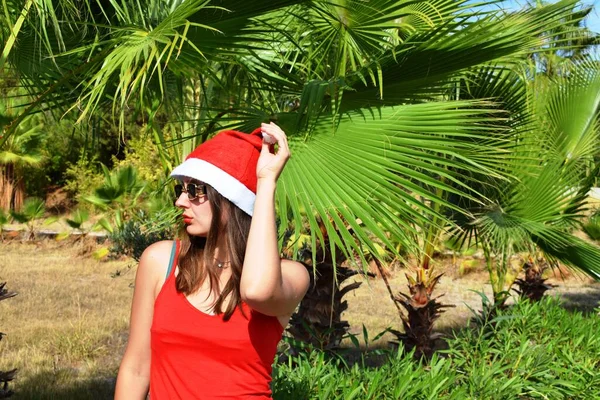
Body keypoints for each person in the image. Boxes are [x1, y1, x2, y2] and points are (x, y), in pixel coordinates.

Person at [114, 122, 310, 399]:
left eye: (195, 190)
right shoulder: (161, 261)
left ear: (232, 200)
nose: (181, 201)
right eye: (181, 189)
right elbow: (136, 369)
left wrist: (265, 184)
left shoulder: (291, 275)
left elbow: (255, 291)